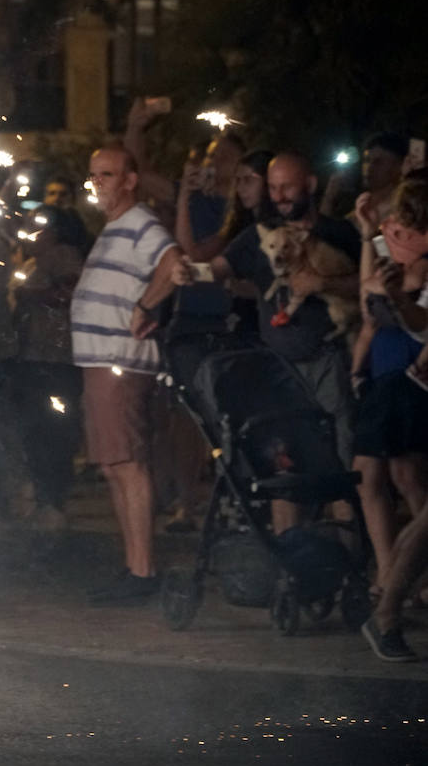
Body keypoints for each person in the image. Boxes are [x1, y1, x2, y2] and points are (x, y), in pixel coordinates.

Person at [165, 152, 362, 532]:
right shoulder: (259, 237)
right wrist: (188, 271)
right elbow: (218, 268)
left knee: (339, 466)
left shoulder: (339, 233)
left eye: (287, 186)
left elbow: (365, 284)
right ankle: (293, 567)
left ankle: (348, 565)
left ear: (310, 184)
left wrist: (324, 284)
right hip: (280, 371)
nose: (280, 196)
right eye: (273, 188)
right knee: (283, 470)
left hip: (327, 360)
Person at [71, 146, 182, 604]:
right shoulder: (115, 227)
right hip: (101, 361)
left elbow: (174, 266)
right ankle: (133, 566)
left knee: (128, 463)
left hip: (120, 360)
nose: (98, 182)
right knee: (114, 465)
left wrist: (145, 305)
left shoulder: (141, 224)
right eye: (94, 174)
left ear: (130, 180)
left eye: (108, 174)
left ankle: (143, 571)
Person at [348, 179, 428, 601]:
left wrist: (392, 291)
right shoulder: (389, 242)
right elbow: (368, 298)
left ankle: (407, 574)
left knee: (408, 473)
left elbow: (412, 306)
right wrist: (368, 235)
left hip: (410, 369)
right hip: (385, 364)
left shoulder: (418, 256)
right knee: (374, 474)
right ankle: (387, 570)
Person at [11, 202, 88, 530]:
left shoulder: (64, 255)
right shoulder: (31, 261)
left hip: (57, 357)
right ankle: (44, 497)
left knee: (55, 430)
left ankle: (53, 499)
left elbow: (71, 293)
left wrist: (31, 296)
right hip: (33, 355)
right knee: (35, 429)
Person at [175, 132, 247, 262]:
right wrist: (135, 128)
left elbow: (192, 255)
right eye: (212, 155)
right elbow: (144, 177)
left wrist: (183, 198)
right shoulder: (194, 192)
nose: (216, 162)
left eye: (225, 157)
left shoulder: (239, 212)